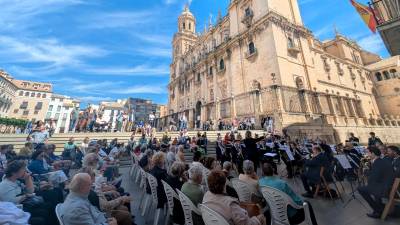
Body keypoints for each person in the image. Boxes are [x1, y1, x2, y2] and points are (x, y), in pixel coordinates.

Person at [358, 146, 395, 218]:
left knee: (360, 189)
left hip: (384, 188)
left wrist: (366, 172)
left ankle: (378, 210)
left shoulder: (378, 162)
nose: (367, 154)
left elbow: (374, 178)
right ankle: (379, 209)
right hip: (385, 185)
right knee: (369, 186)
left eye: (368, 153)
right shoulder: (380, 161)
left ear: (373, 153)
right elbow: (376, 175)